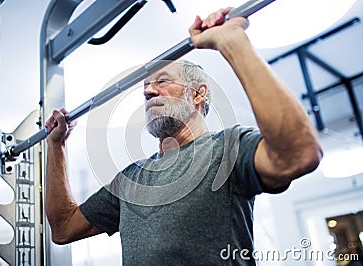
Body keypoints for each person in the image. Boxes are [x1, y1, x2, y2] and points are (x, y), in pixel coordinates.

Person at [44, 7, 323, 265]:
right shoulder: (131, 179)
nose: (148, 91)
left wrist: (232, 42)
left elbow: (298, 154)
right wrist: (56, 146)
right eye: (145, 86)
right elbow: (63, 227)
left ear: (198, 93)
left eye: (162, 81)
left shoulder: (227, 149)